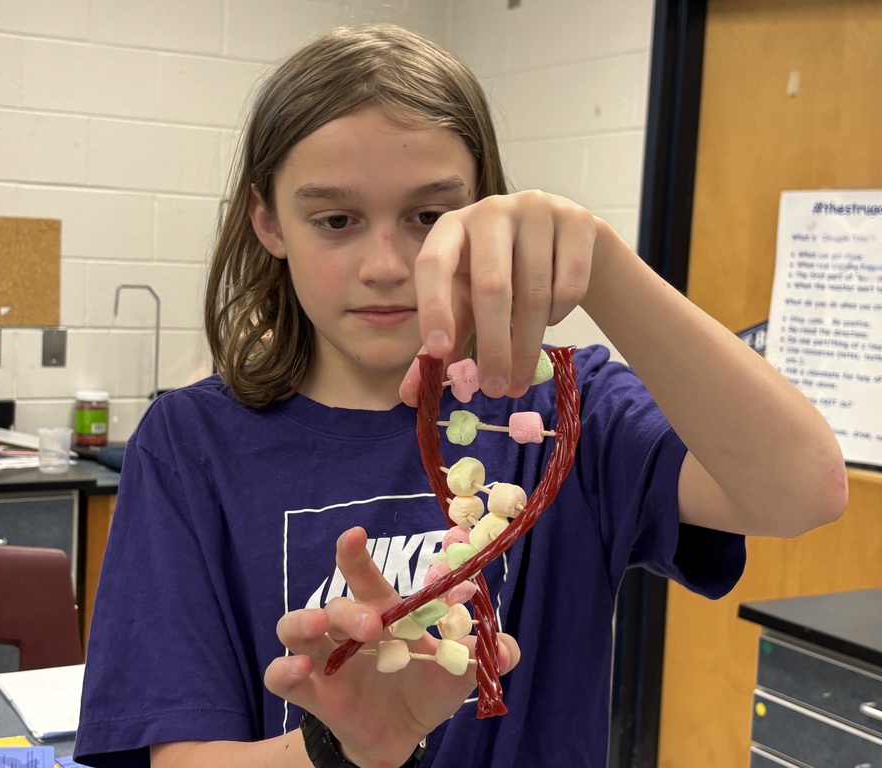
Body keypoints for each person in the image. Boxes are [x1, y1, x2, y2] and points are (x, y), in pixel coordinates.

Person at [74, 23, 847, 768]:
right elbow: (181, 755)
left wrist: (602, 266)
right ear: (268, 220)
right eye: (336, 219)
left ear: (483, 213)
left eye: (429, 216)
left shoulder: (564, 411)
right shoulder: (191, 443)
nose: (386, 263)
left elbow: (803, 491)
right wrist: (343, 751)